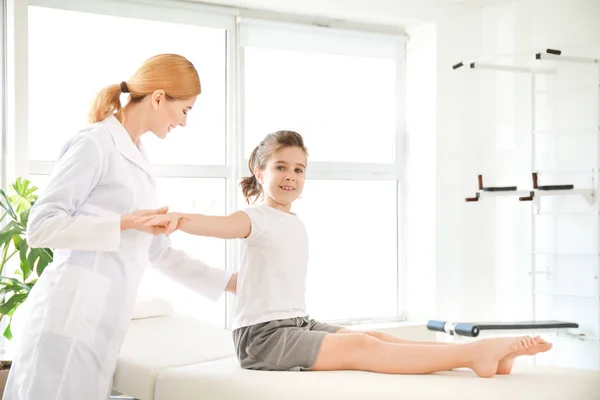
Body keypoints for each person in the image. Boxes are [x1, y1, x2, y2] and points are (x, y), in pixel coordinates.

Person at [139, 130, 553, 378]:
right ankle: (477, 353)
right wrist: (180, 218)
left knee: (378, 337)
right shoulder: (256, 217)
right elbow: (221, 225)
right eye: (280, 167)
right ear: (259, 171)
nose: (290, 176)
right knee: (363, 349)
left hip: (295, 323)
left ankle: (474, 360)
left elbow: (262, 279)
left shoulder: (293, 221)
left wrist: (235, 283)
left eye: (299, 169)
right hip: (261, 340)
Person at [3, 54, 237, 400]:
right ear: (158, 98)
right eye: (185, 110)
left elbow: (157, 252)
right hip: (69, 313)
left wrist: (230, 282)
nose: (185, 123)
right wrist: (123, 223)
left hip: (101, 319)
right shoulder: (95, 142)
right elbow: (40, 227)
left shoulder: (136, 156)